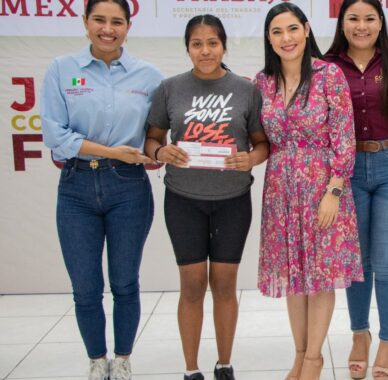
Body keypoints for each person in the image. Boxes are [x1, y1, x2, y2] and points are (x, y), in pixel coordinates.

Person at [40, 0, 162, 379]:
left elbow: (156, 136)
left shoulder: (148, 76)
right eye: (99, 20)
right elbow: (55, 136)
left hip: (128, 188)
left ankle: (122, 359)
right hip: (76, 186)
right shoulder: (62, 70)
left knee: (125, 281)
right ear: (85, 22)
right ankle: (97, 361)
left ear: (128, 26)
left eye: (116, 22)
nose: (107, 29)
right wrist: (111, 151)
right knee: (85, 286)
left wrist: (160, 152)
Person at [143, 14, 269, 380]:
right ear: (187, 48)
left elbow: (261, 143)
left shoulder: (246, 90)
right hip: (183, 199)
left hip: (233, 199)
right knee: (193, 284)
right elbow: (153, 139)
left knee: (225, 284)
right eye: (197, 44)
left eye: (212, 43)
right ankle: (191, 368)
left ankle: (225, 363)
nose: (205, 50)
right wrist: (159, 153)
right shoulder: (170, 88)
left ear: (223, 46)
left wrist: (251, 158)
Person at [255, 3, 363, 380]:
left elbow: (345, 140)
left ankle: (315, 359)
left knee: (321, 274)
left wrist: (333, 190)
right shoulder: (262, 82)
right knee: (293, 276)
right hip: (280, 191)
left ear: (306, 29)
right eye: (277, 32)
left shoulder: (328, 74)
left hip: (323, 188)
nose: (286, 38)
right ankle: (299, 355)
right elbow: (260, 139)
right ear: (269, 38)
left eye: (292, 29)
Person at [324, 1, 388, 379]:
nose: (361, 26)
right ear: (342, 24)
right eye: (353, 19)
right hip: (347, 172)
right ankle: (359, 335)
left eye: (370, 18)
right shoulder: (326, 63)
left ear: (381, 22)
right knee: (356, 264)